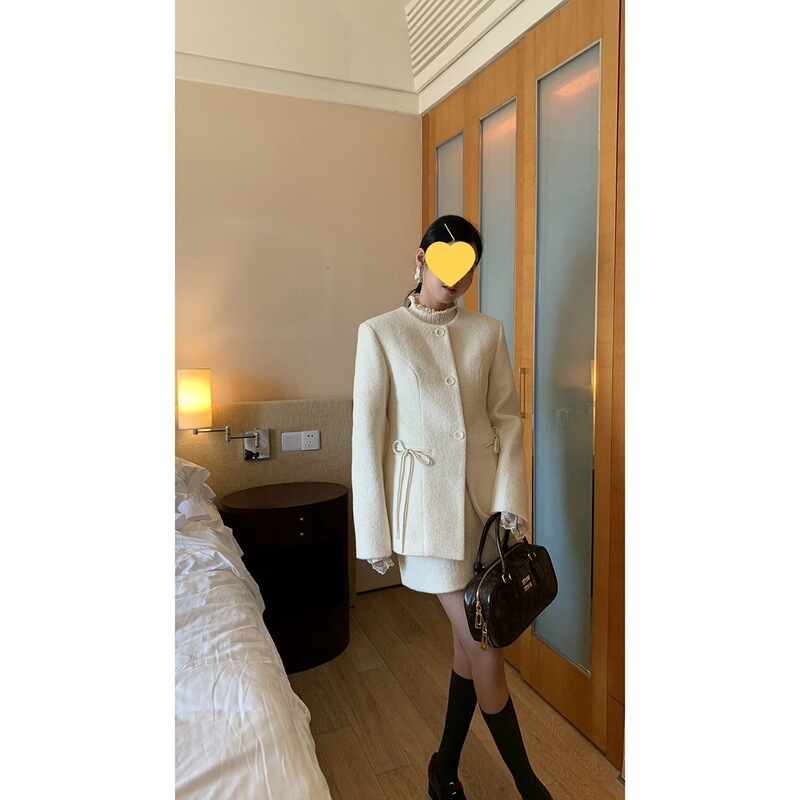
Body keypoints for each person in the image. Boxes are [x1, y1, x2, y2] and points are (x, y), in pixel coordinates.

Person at [351, 215, 553, 800]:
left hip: (485, 517)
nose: (457, 278)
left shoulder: (487, 332)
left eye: (468, 267)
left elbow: (507, 422)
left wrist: (510, 506)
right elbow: (367, 439)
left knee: (470, 647)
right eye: (446, 262)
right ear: (420, 258)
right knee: (487, 647)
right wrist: (376, 535)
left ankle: (442, 770)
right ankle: (530, 787)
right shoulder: (381, 333)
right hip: (426, 520)